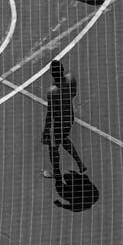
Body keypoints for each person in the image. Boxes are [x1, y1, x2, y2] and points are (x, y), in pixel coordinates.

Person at [41, 59, 86, 189]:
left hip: (59, 121)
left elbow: (50, 113)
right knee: (63, 139)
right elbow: (74, 93)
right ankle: (79, 163)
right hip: (69, 117)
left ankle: (56, 173)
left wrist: (46, 131)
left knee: (53, 147)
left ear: (52, 74)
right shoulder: (71, 78)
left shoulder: (52, 91)